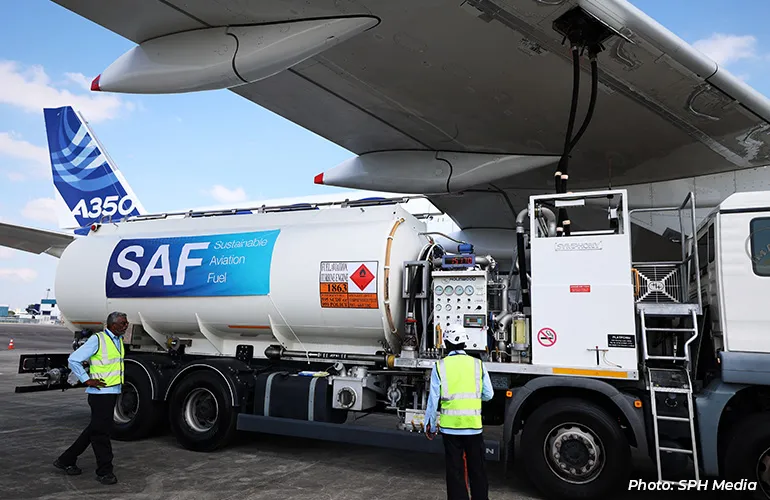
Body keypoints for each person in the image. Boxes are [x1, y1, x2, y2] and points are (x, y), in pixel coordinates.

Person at [53, 311, 128, 485]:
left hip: (111, 392)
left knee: (94, 429)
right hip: (100, 394)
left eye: (126, 323)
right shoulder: (98, 339)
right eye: (123, 323)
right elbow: (74, 359)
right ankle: (104, 471)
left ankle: (66, 460)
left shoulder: (118, 341)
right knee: (101, 433)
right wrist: (86, 379)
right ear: (112, 324)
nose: (126, 326)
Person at [425, 329, 494, 500]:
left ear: (446, 344)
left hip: (451, 429)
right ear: (465, 343)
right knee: (478, 470)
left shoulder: (440, 366)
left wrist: (431, 425)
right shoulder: (477, 364)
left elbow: (433, 400)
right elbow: (489, 394)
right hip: (473, 427)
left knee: (455, 471)